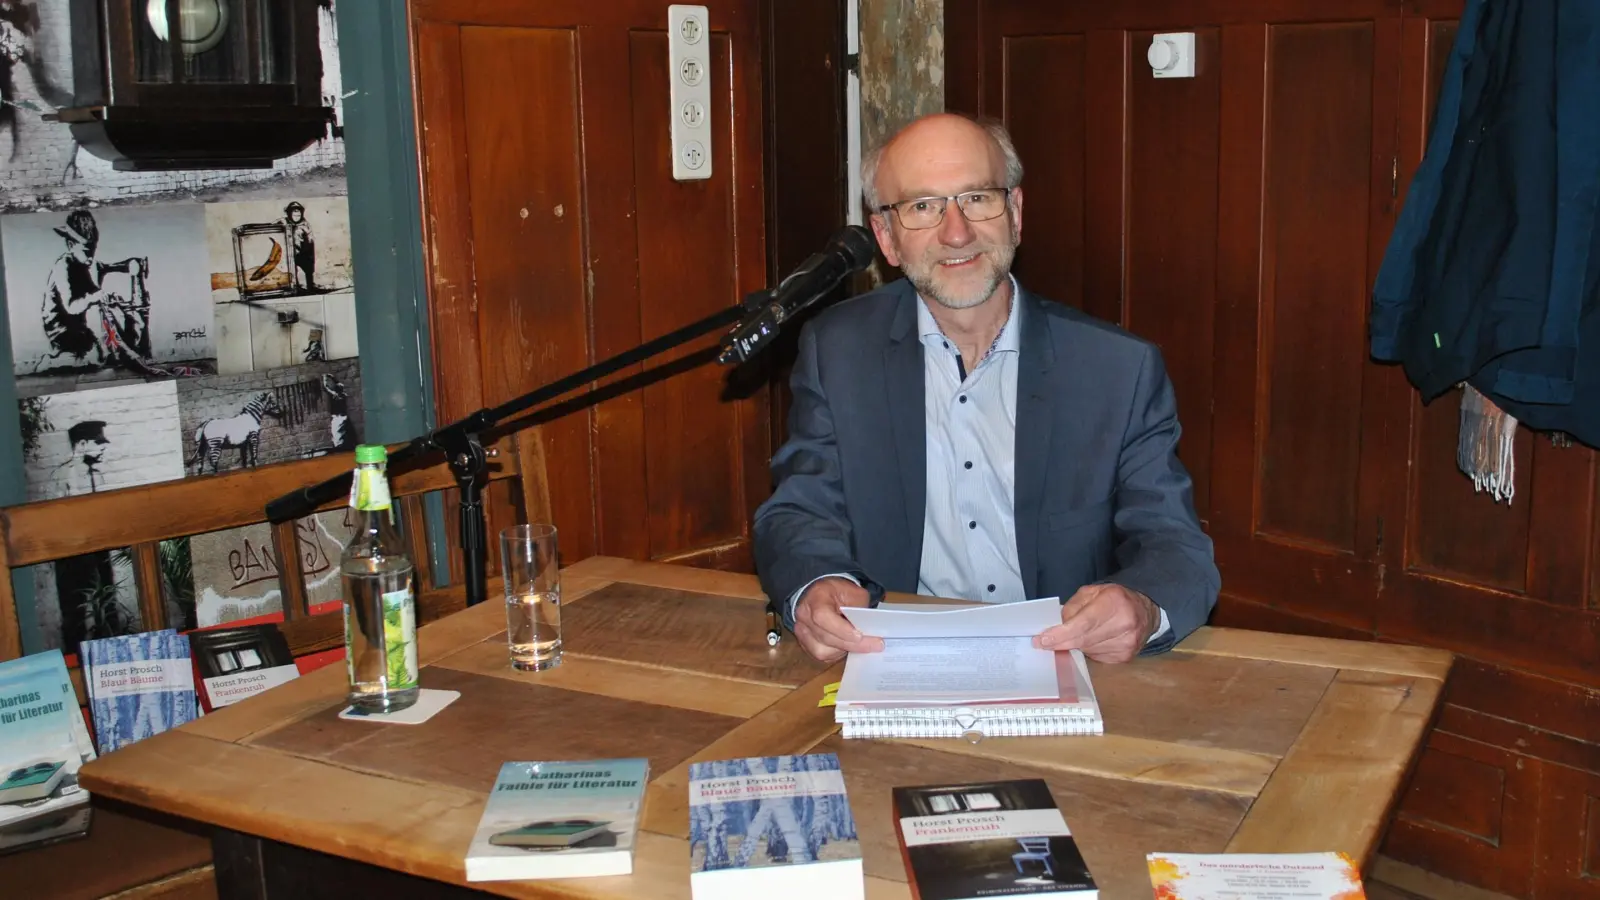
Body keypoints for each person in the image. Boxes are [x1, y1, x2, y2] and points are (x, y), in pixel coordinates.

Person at [752, 112, 1219, 665]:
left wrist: (1141, 605)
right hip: (893, 661)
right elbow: (801, 511)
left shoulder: (1117, 369)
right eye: (923, 206)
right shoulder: (838, 350)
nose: (956, 231)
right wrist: (818, 583)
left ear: (1015, 214)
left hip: (1066, 668)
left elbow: (1175, 545)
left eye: (976, 198)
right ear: (886, 238)